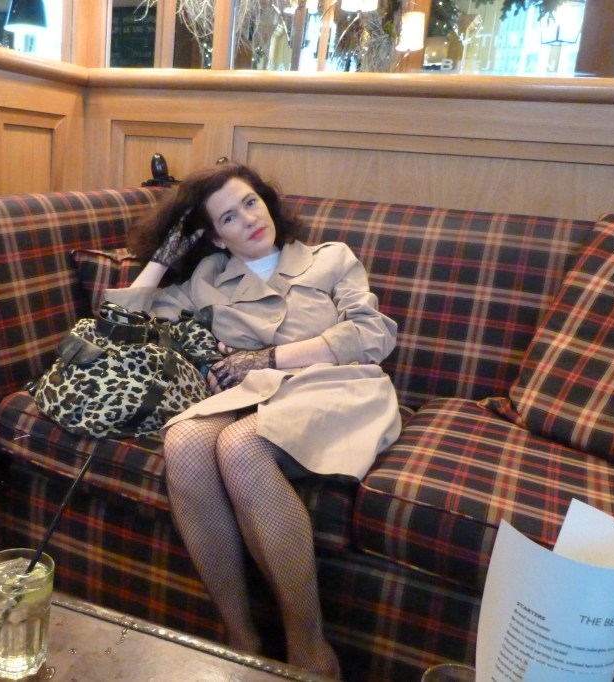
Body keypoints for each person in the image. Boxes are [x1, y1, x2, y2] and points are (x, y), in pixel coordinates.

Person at [104, 162, 401, 678]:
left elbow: (375, 333)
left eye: (249, 202)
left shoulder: (330, 258)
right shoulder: (207, 277)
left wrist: (270, 358)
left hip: (336, 387)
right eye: (228, 217)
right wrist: (160, 260)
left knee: (240, 446)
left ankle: (310, 648)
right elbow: (120, 323)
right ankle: (239, 637)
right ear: (216, 238)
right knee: (184, 442)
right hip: (253, 396)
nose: (248, 218)